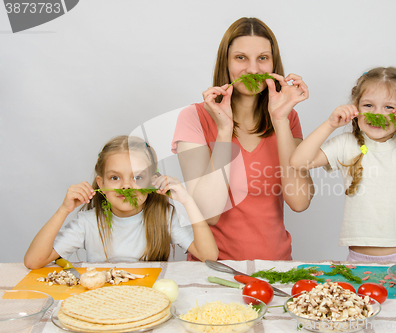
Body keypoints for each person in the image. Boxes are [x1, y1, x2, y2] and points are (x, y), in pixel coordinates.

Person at [171, 17, 314, 261]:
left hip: (277, 269)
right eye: (240, 58)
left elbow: (299, 201)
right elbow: (208, 213)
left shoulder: (287, 119)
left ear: (273, 63)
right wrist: (224, 131)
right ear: (225, 63)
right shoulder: (193, 118)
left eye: (262, 58)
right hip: (214, 272)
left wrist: (279, 121)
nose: (253, 70)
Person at [290, 67, 396, 262]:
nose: (378, 114)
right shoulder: (346, 143)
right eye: (368, 105)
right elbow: (298, 161)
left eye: (388, 107)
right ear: (356, 107)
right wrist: (330, 124)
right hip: (357, 259)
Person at [24, 136, 218, 269]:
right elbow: (33, 261)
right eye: (115, 178)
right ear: (101, 183)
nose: (126, 186)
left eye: (137, 177)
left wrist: (187, 201)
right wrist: (63, 210)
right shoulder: (87, 222)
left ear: (152, 182)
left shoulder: (164, 217)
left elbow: (208, 256)